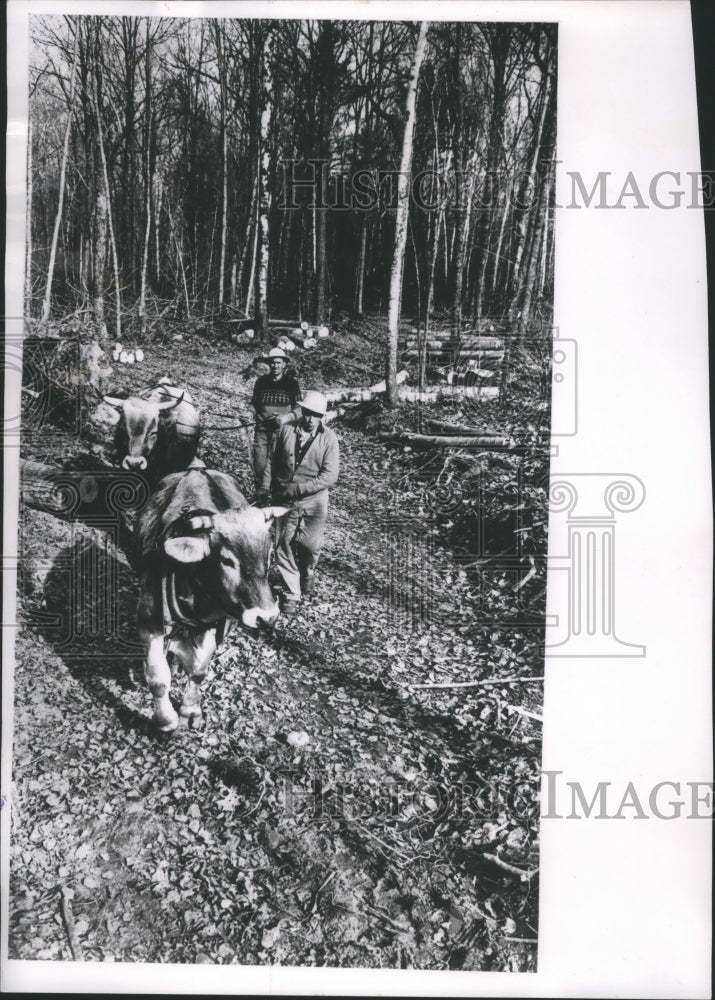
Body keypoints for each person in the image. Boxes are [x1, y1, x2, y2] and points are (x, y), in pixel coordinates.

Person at [266, 390, 339, 614]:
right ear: (302, 411)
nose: (310, 419)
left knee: (310, 545)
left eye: (315, 415)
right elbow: (272, 460)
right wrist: (264, 485)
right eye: (307, 413)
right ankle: (292, 592)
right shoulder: (287, 430)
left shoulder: (329, 438)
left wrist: (298, 488)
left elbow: (330, 476)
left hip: (314, 499)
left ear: (322, 417)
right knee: (283, 543)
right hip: (284, 499)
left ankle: (307, 572)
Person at [250, 347, 302, 500]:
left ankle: (277, 496)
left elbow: (299, 409)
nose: (275, 366)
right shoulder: (261, 382)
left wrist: (286, 418)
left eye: (278, 363)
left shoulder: (291, 384)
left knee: (280, 466)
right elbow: (254, 404)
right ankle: (262, 494)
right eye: (273, 363)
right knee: (259, 464)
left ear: (284, 364)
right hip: (262, 430)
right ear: (269, 364)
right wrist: (249, 413)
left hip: (283, 432)